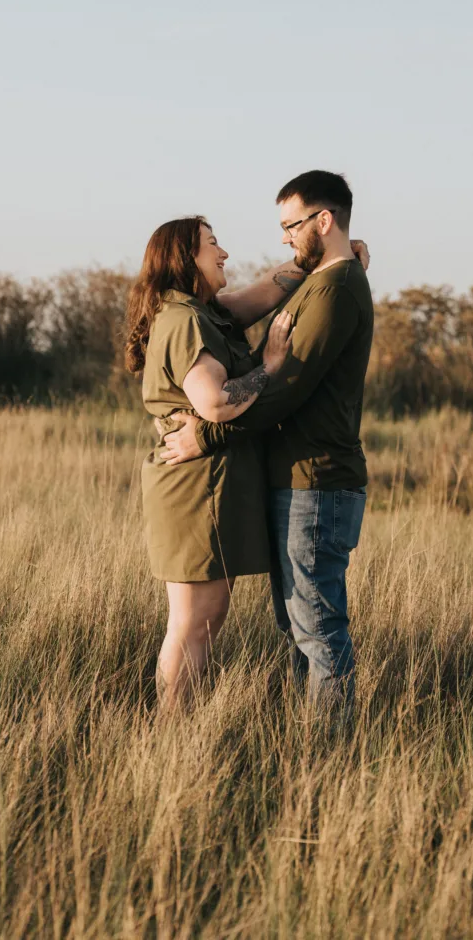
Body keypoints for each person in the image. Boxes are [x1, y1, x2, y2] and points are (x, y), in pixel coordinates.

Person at [158, 172, 374, 729]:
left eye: (290, 225)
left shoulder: (334, 289)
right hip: (295, 482)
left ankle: (330, 749)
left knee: (315, 626)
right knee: (298, 624)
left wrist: (202, 436)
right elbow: (263, 300)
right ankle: (312, 741)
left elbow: (283, 392)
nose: (282, 238)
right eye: (213, 247)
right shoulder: (316, 282)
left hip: (317, 482)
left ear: (322, 221)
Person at [125, 216, 304, 713]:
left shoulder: (206, 310)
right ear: (185, 259)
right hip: (193, 486)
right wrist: (270, 364)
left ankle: (178, 728)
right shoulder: (184, 320)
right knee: (195, 619)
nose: (223, 253)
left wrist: (322, 257)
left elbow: (267, 290)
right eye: (212, 245)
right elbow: (218, 403)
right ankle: (173, 734)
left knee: (203, 615)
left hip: (205, 482)